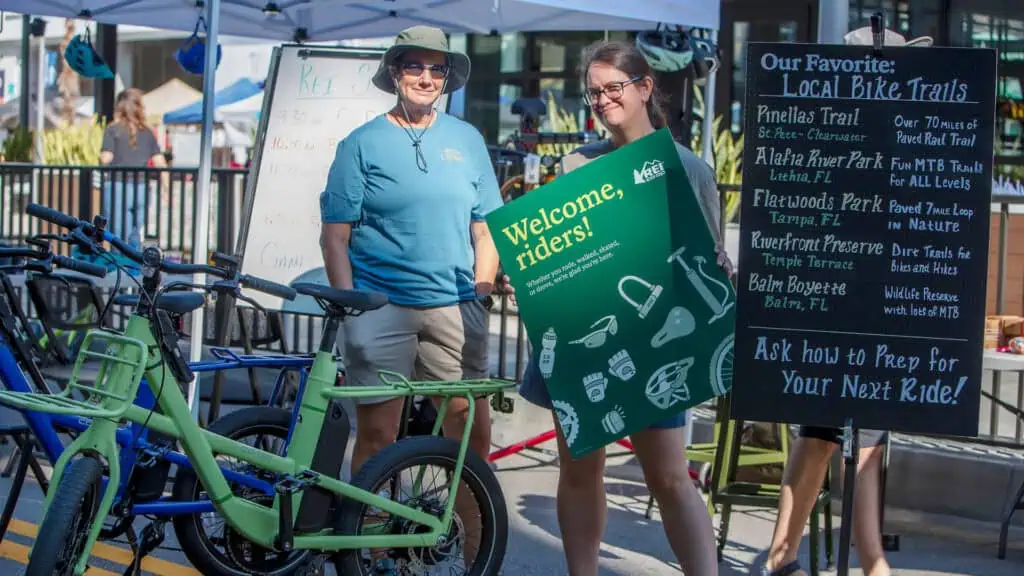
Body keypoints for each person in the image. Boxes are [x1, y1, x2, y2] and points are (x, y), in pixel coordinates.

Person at [503, 39, 733, 576]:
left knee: (670, 476)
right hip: (585, 336)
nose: (603, 100)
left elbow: (707, 262)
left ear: (645, 88)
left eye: (614, 88)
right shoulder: (577, 164)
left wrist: (721, 267)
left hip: (656, 344)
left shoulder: (689, 170)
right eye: (594, 92)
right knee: (579, 468)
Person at [760, 26, 932, 576]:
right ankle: (783, 553)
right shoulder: (825, 122)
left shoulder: (911, 126)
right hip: (827, 292)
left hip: (882, 293)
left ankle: (869, 558)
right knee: (819, 433)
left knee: (871, 434)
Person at [319, 23, 501, 494]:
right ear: (395, 72)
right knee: (379, 436)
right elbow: (334, 237)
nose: (426, 78)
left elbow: (487, 229)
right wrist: (353, 309)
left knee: (470, 440)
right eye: (415, 66)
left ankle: (472, 551)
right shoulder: (361, 143)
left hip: (456, 306)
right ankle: (369, 554)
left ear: (446, 79)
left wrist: (481, 292)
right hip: (382, 308)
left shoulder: (467, 140)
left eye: (436, 69)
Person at [99, 88, 166, 243]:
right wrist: (166, 189)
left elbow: (106, 158)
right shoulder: (148, 131)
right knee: (135, 234)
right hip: (141, 186)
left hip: (117, 185)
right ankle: (134, 266)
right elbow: (160, 162)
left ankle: (120, 266)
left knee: (117, 235)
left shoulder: (113, 129)